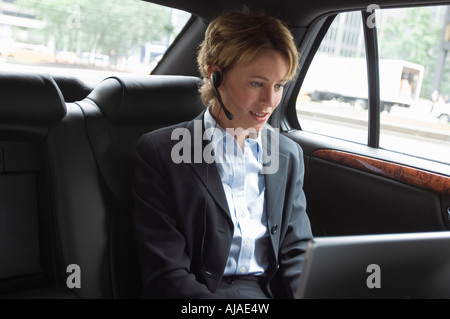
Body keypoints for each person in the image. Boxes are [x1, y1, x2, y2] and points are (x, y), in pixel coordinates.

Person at [132, 6, 313, 299]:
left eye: (279, 86)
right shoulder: (162, 154)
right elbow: (166, 276)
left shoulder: (287, 155)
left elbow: (298, 254)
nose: (270, 101)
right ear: (215, 77)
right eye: (256, 83)